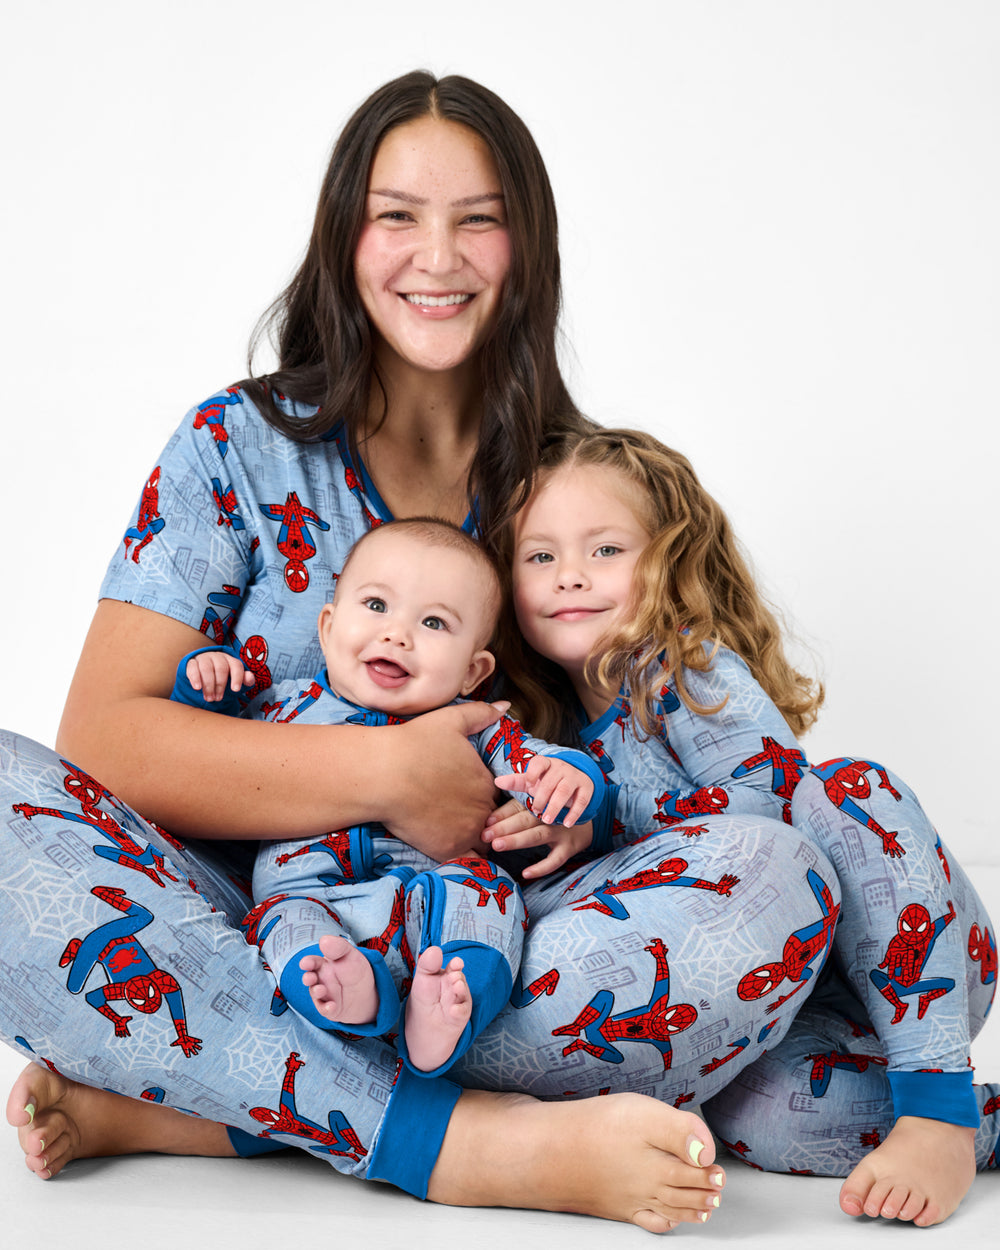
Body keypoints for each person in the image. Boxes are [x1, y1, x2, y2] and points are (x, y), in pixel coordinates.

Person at [1, 71, 841, 1233]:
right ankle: (463, 1143)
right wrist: (392, 776)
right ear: (344, 235)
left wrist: (571, 810)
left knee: (777, 870)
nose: (435, 256)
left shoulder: (581, 490)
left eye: (478, 217)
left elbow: (703, 761)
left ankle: (203, 1106)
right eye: (396, 214)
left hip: (482, 949)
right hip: (240, 923)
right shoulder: (232, 449)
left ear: (526, 247)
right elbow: (102, 739)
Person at [482, 426, 998, 1227]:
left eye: (606, 549)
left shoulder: (681, 670)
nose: (570, 576)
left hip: (901, 946)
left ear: (669, 561)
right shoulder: (539, 739)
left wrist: (607, 814)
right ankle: (979, 1121)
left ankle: (934, 1101)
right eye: (539, 557)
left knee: (848, 791)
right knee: (754, 1118)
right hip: (777, 1010)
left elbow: (768, 810)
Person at [173, 517, 603, 1076]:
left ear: (473, 671)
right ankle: (352, 996)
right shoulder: (284, 708)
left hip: (434, 904)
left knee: (487, 895)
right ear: (327, 628)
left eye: (433, 622)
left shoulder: (472, 728)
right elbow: (205, 755)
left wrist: (574, 778)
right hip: (311, 897)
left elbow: (536, 764)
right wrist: (206, 683)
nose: (398, 634)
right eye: (376, 606)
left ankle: (451, 1003)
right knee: (284, 927)